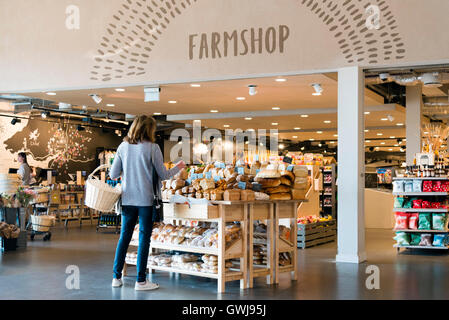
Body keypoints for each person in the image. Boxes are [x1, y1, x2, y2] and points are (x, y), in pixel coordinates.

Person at [109, 115, 185, 291]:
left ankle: (116, 277)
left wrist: (128, 172)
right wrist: (179, 167)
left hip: (127, 199)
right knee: (144, 239)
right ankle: (141, 281)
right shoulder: (153, 148)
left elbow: (113, 175)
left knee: (124, 238)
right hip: (146, 201)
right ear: (149, 130)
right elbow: (164, 175)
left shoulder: (123, 146)